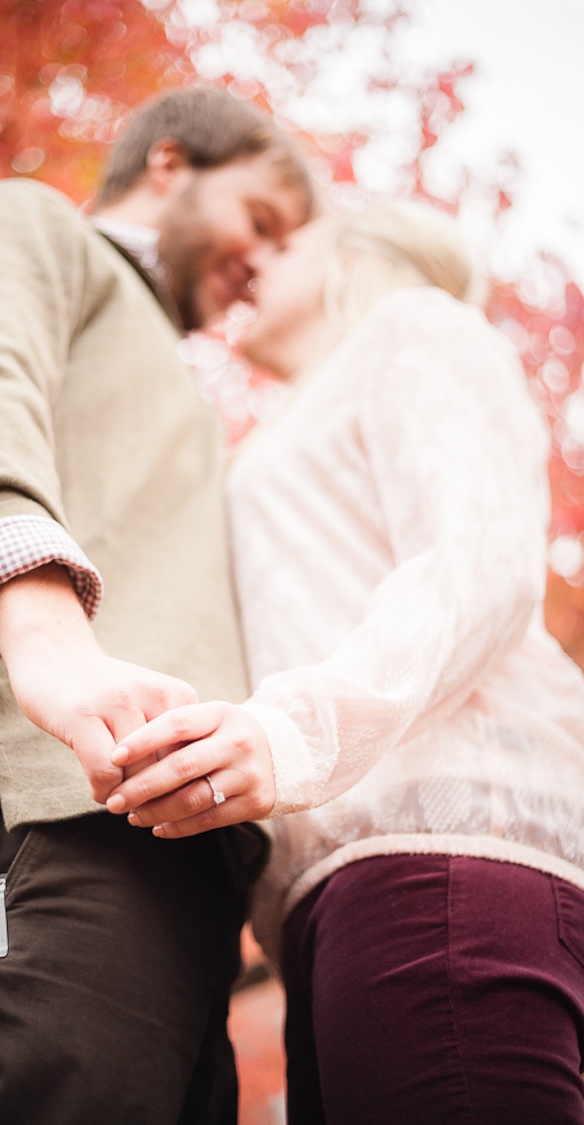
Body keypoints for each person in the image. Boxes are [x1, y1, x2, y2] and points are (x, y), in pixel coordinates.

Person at [0, 87, 315, 1124]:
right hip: (17, 821)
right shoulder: (25, 220)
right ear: (173, 163)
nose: (262, 264)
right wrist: (49, 643)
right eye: (262, 219)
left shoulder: (181, 392)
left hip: (163, 884)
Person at [106, 201, 584, 1123]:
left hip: (440, 859)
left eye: (284, 241)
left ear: (358, 252)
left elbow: (478, 561)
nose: (253, 262)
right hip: (348, 894)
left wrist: (291, 732)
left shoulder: (415, 326)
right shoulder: (305, 409)